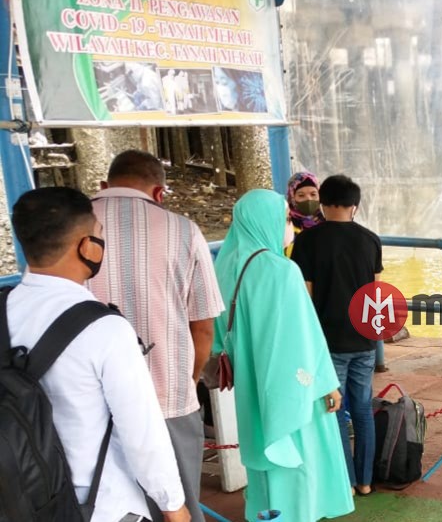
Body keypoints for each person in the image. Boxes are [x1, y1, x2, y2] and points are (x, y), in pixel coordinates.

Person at [8, 187, 189, 522]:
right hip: (100, 506)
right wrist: (173, 505)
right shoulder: (104, 329)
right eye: (99, 234)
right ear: (86, 245)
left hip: (21, 501)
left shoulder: (6, 309)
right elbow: (142, 433)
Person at [87, 150, 225, 522]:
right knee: (179, 505)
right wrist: (189, 381)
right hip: (167, 395)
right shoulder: (183, 230)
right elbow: (203, 327)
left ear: (103, 186)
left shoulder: (72, 226)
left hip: (88, 403)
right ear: (160, 193)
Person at [213, 189, 353, 521]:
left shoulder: (224, 266)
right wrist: (325, 384)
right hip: (292, 388)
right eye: (285, 218)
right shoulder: (281, 270)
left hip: (250, 383)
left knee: (265, 466)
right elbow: (303, 337)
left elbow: (218, 332)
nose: (288, 224)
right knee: (300, 463)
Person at [291, 175, 383, 496]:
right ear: (354, 206)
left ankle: (345, 480)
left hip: (327, 342)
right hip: (364, 340)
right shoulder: (371, 240)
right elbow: (376, 293)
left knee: (335, 411)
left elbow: (306, 297)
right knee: (362, 408)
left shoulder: (307, 242)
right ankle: (367, 481)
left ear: (323, 204)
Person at [284, 171, 325, 256]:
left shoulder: (327, 222)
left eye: (313, 194)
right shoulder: (286, 225)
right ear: (292, 197)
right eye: (301, 195)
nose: (308, 199)